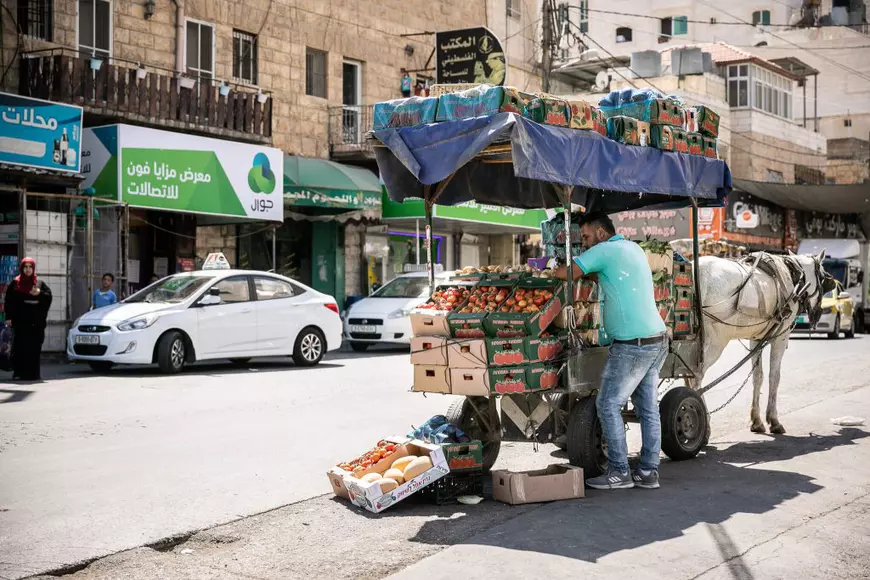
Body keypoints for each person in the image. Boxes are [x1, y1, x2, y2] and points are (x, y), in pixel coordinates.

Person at [555, 214, 668, 490]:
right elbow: (605, 276)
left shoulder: (603, 251)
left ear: (601, 233)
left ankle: (619, 472)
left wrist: (547, 267)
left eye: (585, 236)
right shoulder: (632, 248)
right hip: (656, 338)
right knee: (648, 409)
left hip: (632, 345)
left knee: (607, 404)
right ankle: (649, 472)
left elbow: (564, 274)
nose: (584, 242)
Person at [4, 258, 53, 381]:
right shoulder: (15, 284)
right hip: (20, 323)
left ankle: (33, 374)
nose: (28, 269)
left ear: (33, 268)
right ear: (21, 268)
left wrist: (39, 294)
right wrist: (9, 317)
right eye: (25, 267)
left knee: (34, 348)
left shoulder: (39, 284)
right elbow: (8, 301)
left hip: (36, 324)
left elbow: (48, 297)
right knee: (20, 348)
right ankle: (18, 373)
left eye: (30, 267)